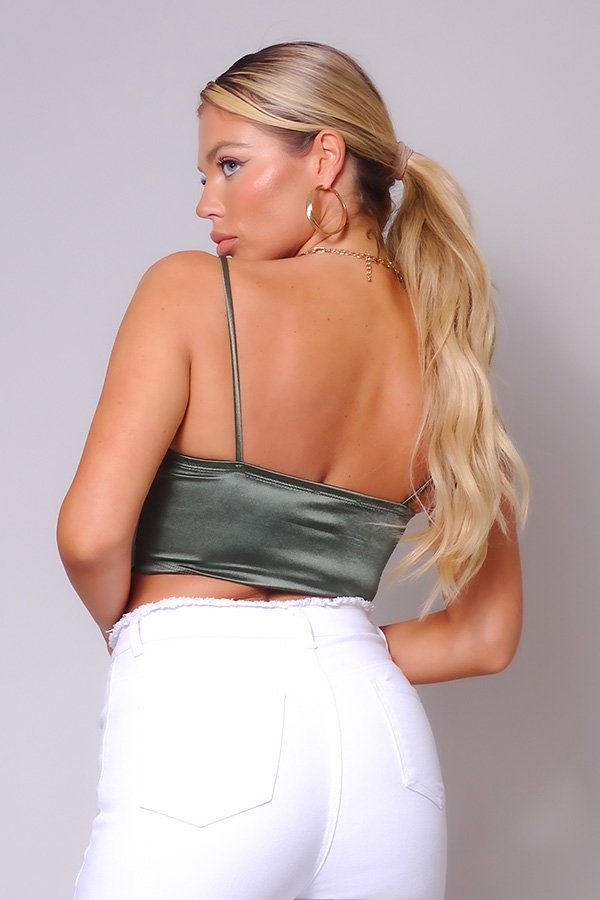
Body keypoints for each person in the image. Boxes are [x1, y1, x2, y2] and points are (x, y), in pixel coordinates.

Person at [57, 41, 527, 900]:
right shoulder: (446, 356)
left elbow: (90, 537)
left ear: (325, 158)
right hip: (384, 758)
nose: (207, 202)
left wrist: (142, 631)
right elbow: (484, 638)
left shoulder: (191, 290)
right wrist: (326, 647)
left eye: (230, 164)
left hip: (209, 731)